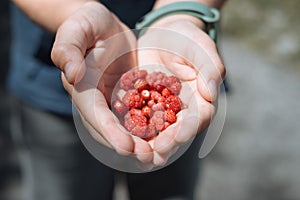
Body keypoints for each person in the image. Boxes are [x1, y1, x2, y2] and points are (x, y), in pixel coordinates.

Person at [7, 0, 226, 200]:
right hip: (53, 83)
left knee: (170, 190)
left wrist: (180, 12)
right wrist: (70, 11)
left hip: (178, 60)